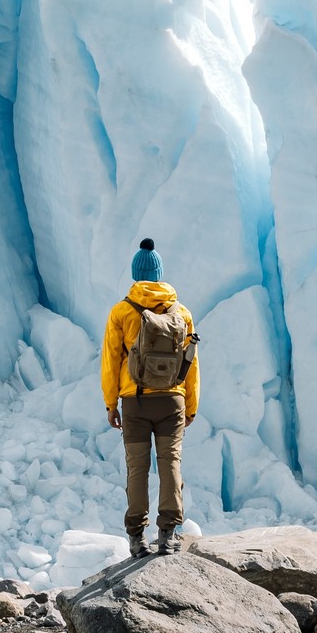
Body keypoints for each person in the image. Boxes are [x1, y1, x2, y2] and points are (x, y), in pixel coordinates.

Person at [101, 237, 200, 558]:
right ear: (159, 274)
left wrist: (110, 403)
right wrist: (191, 406)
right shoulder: (181, 312)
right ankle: (169, 533)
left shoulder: (122, 312)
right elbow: (191, 362)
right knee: (170, 464)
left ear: (135, 274)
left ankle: (136, 538)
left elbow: (110, 360)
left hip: (135, 402)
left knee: (137, 468)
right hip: (172, 400)